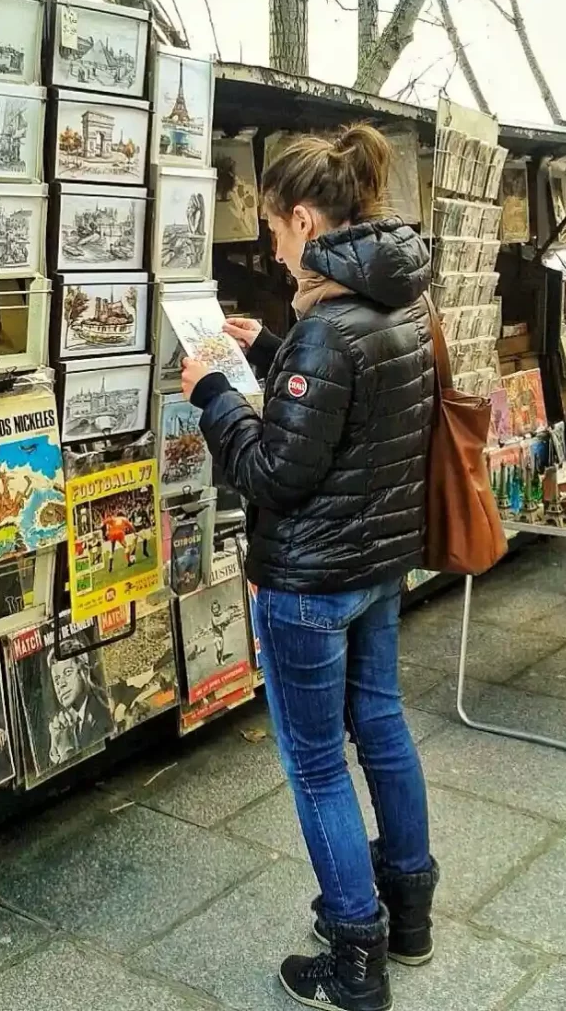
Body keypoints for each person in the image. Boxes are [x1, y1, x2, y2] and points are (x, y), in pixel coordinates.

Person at [181, 123, 437, 1011]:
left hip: (312, 584)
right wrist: (268, 353)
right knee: (384, 727)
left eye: (275, 233)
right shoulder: (398, 301)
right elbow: (348, 415)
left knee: (318, 762)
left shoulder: (329, 329)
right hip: (376, 565)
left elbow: (272, 471)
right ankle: (409, 910)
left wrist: (214, 392)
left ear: (301, 217)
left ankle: (354, 954)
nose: (274, 250)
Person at [47, 642, 115, 766]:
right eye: (56, 680)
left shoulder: (101, 713)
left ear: (84, 672)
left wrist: (65, 748)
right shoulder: (72, 720)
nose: (61, 684)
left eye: (67, 672)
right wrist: (55, 741)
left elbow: (91, 767)